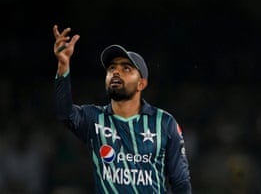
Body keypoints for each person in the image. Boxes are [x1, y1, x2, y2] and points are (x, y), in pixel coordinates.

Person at [52, 25, 192, 193]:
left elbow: (180, 182)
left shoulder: (164, 122)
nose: (116, 72)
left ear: (141, 83)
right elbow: (64, 113)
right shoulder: (94, 118)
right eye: (112, 68)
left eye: (126, 68)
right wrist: (63, 66)